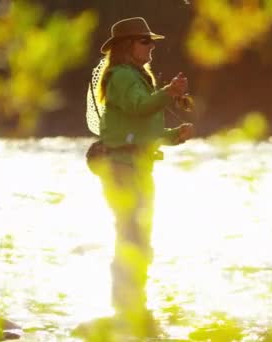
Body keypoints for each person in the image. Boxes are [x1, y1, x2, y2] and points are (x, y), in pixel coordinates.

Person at [85, 17, 193, 337]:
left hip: (137, 167)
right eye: (145, 42)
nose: (151, 47)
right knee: (131, 235)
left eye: (151, 42)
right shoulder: (120, 76)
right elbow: (137, 107)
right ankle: (126, 307)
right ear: (126, 47)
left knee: (138, 237)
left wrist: (175, 136)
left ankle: (134, 304)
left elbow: (147, 128)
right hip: (123, 167)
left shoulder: (136, 77)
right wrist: (168, 92)